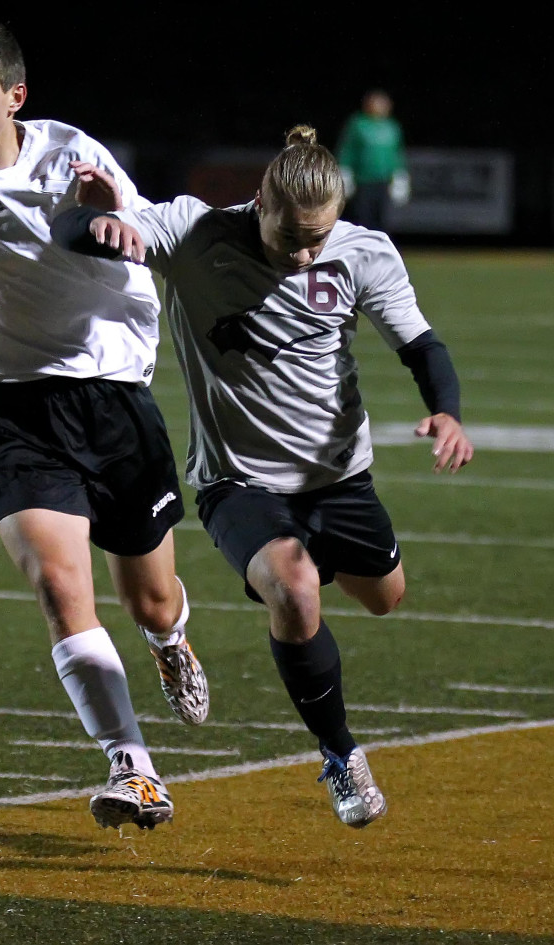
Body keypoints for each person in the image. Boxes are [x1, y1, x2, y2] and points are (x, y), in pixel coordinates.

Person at [52, 125, 474, 828]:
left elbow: (421, 345)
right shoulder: (193, 232)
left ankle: (311, 622)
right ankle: (341, 754)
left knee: (385, 598)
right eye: (291, 237)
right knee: (296, 586)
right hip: (237, 481)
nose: (305, 253)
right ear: (259, 202)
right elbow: (81, 232)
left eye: (319, 237)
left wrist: (448, 414)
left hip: (340, 479)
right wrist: (90, 221)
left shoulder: (363, 252)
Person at [0, 20, 209, 831]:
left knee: (151, 599)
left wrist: (108, 217)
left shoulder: (75, 157)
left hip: (115, 399)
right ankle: (133, 768)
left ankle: (170, 641)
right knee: (61, 587)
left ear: (14, 95)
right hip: (18, 407)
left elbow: (150, 244)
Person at [336, 89, 410, 231]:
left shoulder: (392, 126)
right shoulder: (358, 124)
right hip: (363, 180)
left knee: (382, 219)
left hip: (383, 181)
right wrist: (345, 172)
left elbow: (397, 154)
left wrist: (400, 176)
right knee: (362, 218)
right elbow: (348, 149)